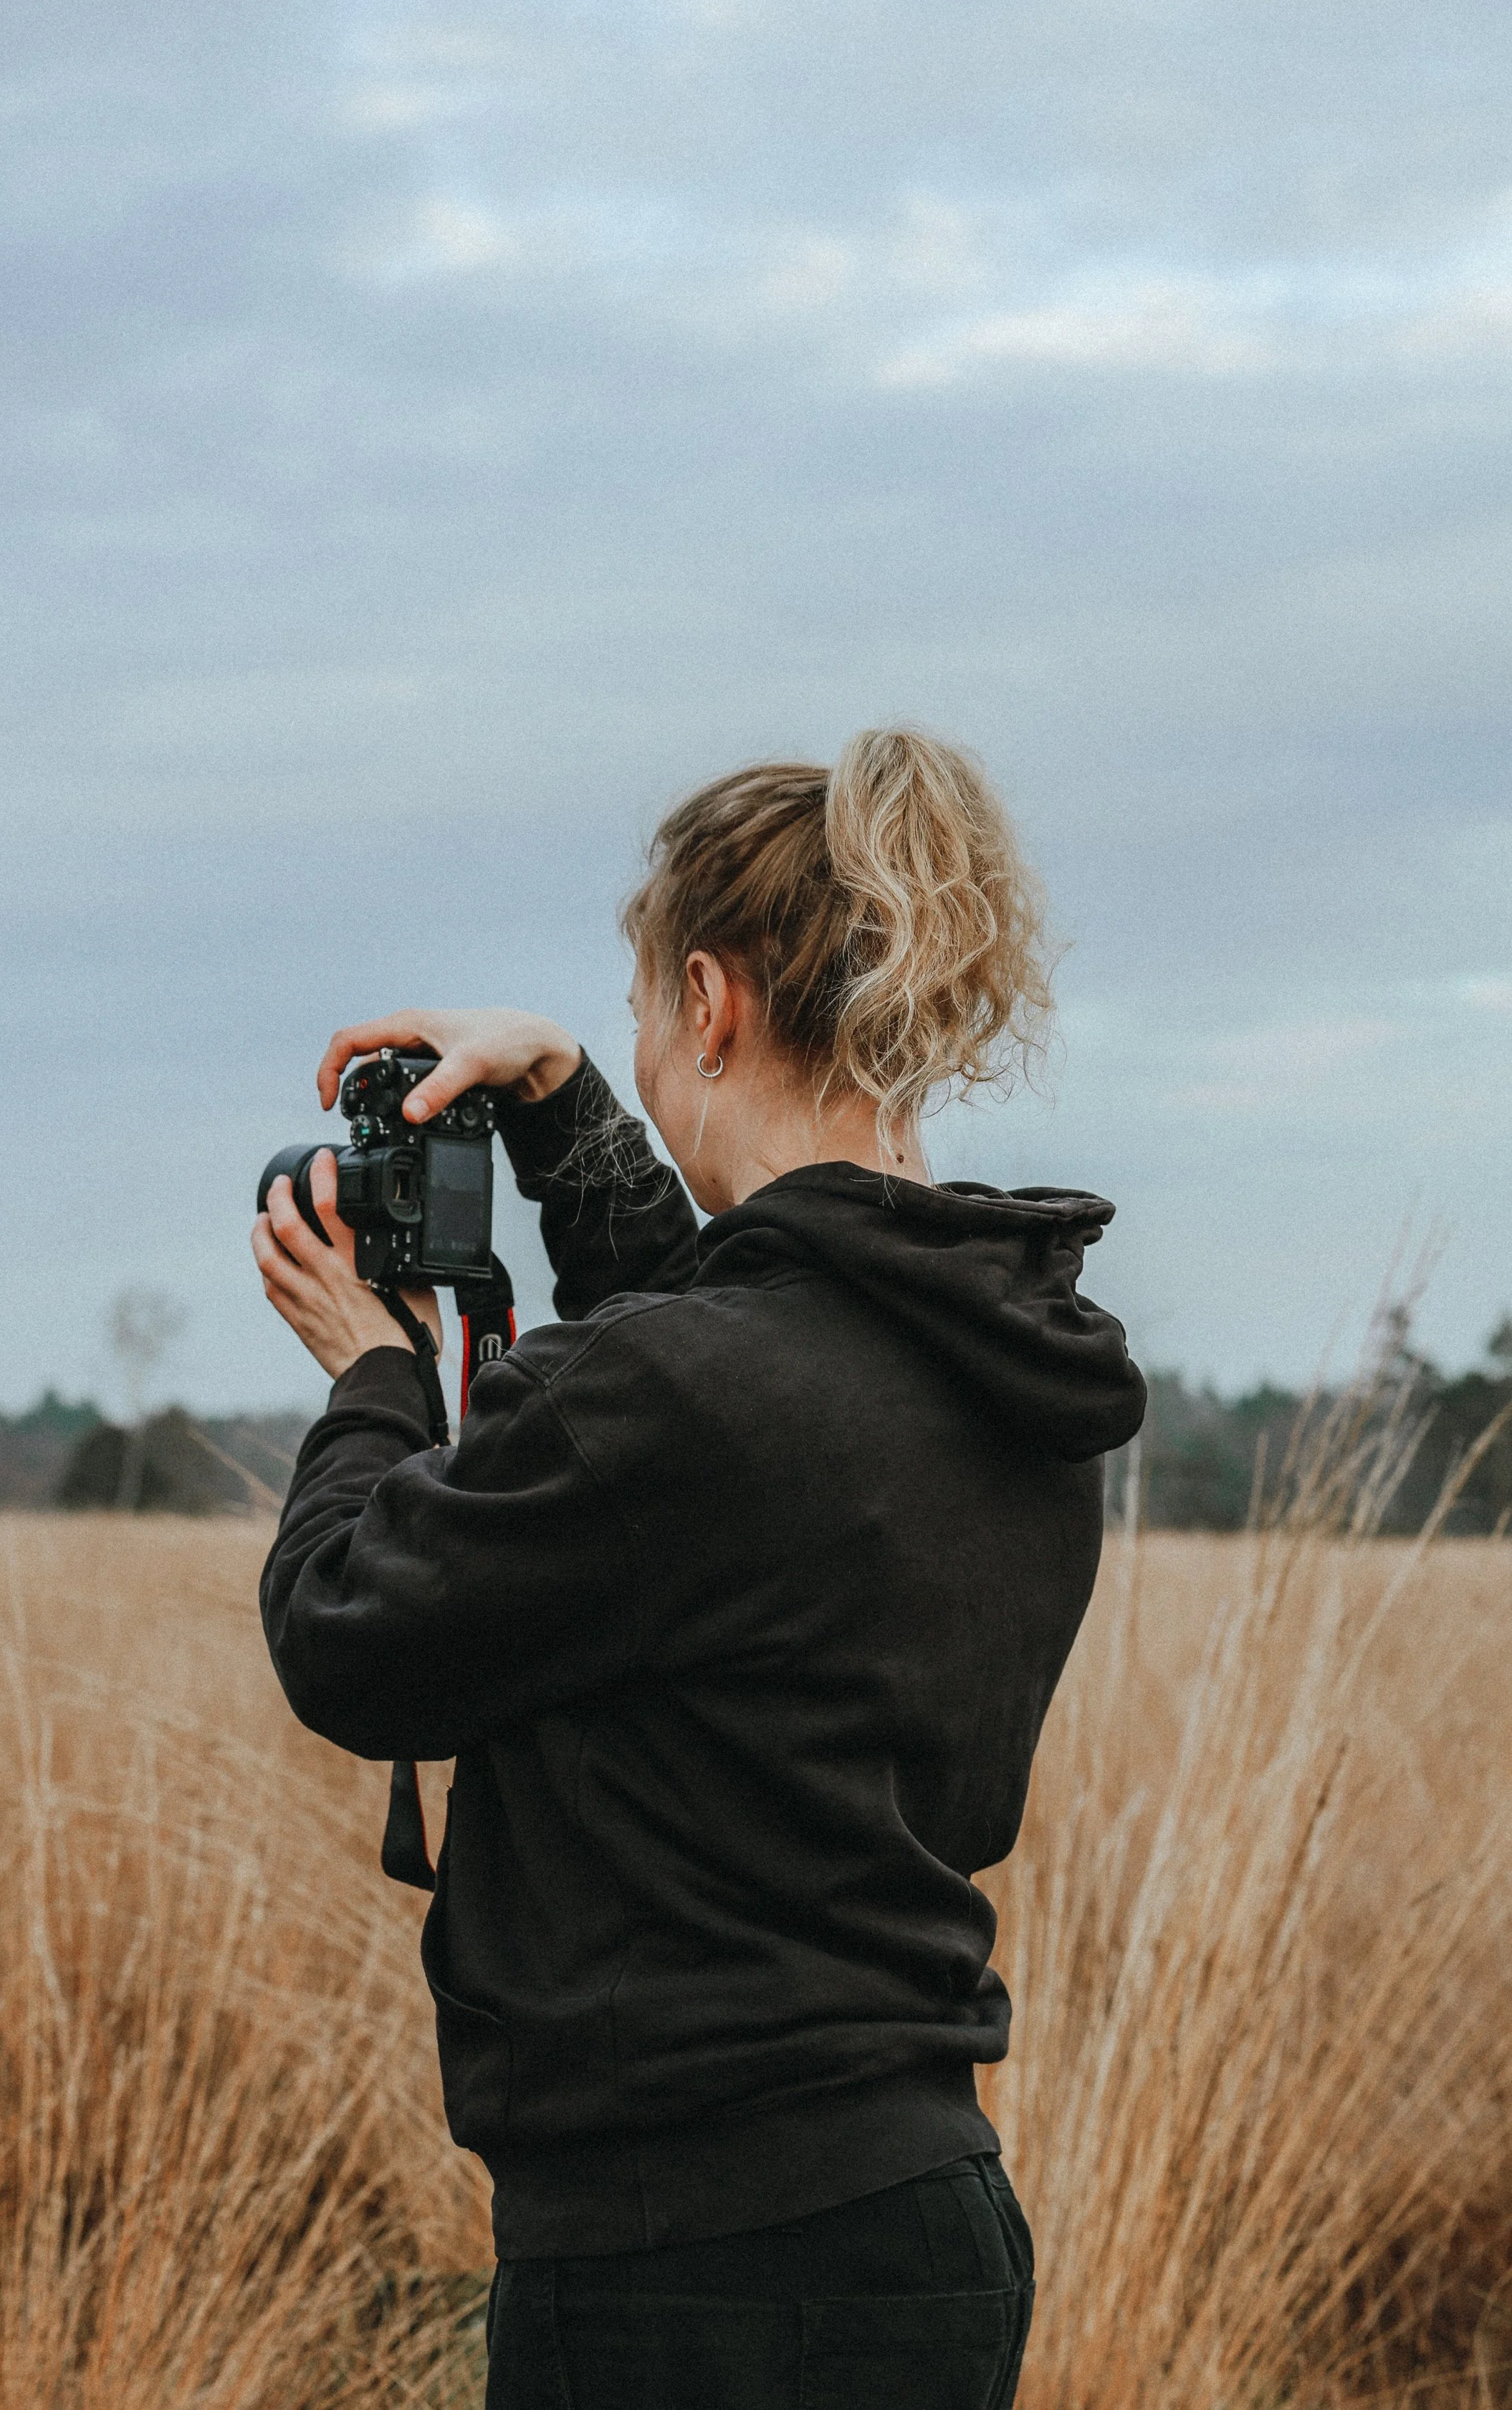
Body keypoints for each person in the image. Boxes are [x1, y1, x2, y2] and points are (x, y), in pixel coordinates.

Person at [252, 725, 1147, 2410]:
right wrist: (570, 1108)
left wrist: (371, 1376)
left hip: (692, 2273)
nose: (654, 1046)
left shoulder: (697, 1394)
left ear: (713, 1004)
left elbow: (344, 1633)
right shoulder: (999, 1361)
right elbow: (745, 1371)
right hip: (918, 2221)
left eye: (651, 1011)